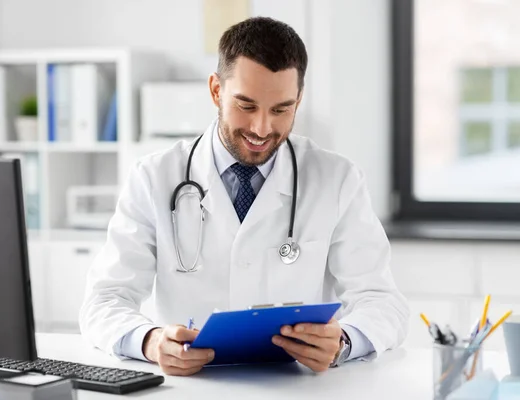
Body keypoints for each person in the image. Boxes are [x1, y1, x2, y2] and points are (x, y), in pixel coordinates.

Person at [80, 16, 409, 377]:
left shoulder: (338, 179)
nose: (261, 128)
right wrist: (150, 341)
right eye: (247, 106)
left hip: (297, 390)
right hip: (191, 388)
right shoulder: (154, 177)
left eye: (281, 109)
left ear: (298, 100)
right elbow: (104, 301)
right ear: (216, 91)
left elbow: (382, 301)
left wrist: (344, 340)